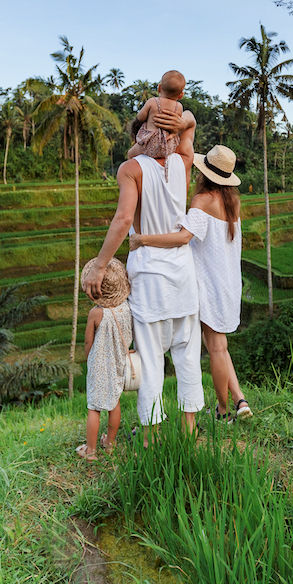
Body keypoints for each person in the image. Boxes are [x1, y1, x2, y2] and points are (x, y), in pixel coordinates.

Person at [83, 101, 201, 435]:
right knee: (187, 355)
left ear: (141, 134)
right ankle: (189, 432)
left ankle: (150, 437)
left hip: (149, 276)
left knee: (151, 360)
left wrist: (99, 266)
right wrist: (180, 118)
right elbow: (190, 124)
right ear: (175, 134)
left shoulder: (130, 169)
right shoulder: (184, 161)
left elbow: (123, 220)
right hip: (183, 275)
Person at [131, 145, 251, 421]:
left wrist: (142, 239)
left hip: (208, 284)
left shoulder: (203, 200)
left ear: (204, 172)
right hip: (229, 281)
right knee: (219, 346)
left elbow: (184, 238)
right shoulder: (232, 201)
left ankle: (222, 412)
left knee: (216, 348)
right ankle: (239, 400)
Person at [76, 257, 133, 461]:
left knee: (94, 407)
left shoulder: (96, 313)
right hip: (119, 361)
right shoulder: (126, 308)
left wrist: (89, 360)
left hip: (99, 363)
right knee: (114, 401)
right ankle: (110, 442)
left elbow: (87, 342)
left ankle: (90, 450)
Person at [126, 70, 196, 168]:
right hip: (169, 146)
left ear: (159, 88)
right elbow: (176, 125)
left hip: (150, 144)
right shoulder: (179, 107)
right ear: (181, 95)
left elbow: (140, 118)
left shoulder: (152, 102)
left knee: (130, 154)